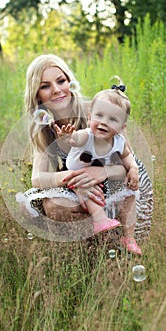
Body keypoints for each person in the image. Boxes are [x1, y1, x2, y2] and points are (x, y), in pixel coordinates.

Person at [16, 53, 153, 250]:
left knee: (121, 200)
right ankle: (96, 247)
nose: (56, 90)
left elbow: (126, 162)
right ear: (36, 94)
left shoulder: (99, 112)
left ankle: (118, 244)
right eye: (45, 86)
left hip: (120, 183)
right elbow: (37, 179)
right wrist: (75, 178)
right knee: (54, 205)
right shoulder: (45, 129)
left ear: (69, 81)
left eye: (61, 81)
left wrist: (101, 172)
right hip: (86, 188)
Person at [55, 86, 142, 254]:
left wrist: (133, 169)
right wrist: (68, 137)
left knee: (130, 195)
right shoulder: (86, 135)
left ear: (122, 127)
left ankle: (129, 237)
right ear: (89, 118)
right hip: (77, 178)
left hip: (100, 180)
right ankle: (100, 220)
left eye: (112, 119)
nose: (104, 122)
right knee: (86, 186)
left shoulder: (119, 141)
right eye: (99, 115)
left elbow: (128, 158)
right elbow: (75, 139)